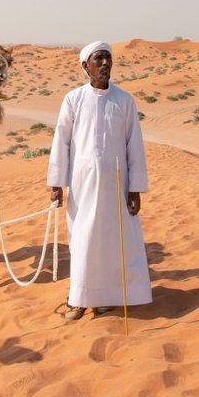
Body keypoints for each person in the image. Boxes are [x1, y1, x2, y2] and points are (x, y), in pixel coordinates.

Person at [46, 41, 152, 321]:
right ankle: (78, 299)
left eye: (108, 58)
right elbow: (62, 141)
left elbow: (134, 145)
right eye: (98, 59)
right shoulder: (73, 99)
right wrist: (56, 183)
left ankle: (105, 297)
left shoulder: (125, 101)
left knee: (111, 243)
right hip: (82, 186)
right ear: (85, 66)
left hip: (117, 187)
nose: (105, 63)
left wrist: (136, 188)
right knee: (82, 240)